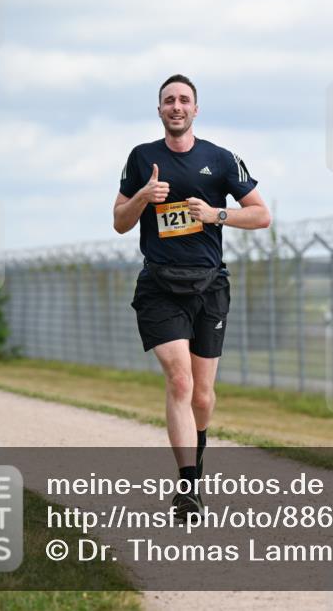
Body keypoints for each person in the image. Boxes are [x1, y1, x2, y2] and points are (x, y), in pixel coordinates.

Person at [113, 75, 270, 517]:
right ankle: (187, 488)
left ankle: (195, 461)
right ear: (159, 109)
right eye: (169, 101)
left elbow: (262, 215)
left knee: (202, 394)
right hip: (160, 285)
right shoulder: (142, 158)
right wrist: (143, 196)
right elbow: (120, 222)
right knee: (179, 379)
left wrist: (216, 213)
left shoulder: (220, 159)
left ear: (195, 109)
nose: (176, 107)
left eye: (184, 100)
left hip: (209, 285)